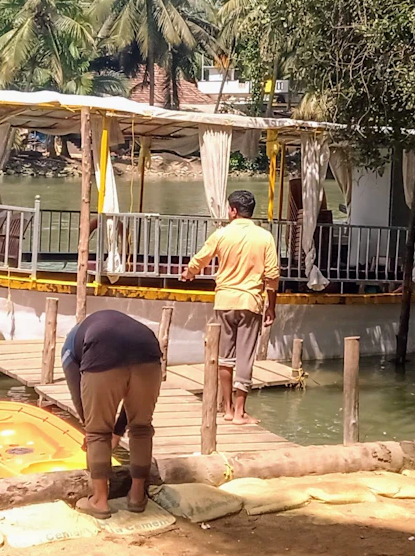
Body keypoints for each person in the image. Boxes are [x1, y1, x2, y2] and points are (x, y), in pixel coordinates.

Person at [182, 189, 280, 424]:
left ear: (234, 211)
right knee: (245, 357)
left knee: (225, 357)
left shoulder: (222, 234)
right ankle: (240, 412)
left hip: (225, 300)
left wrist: (189, 273)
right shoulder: (265, 237)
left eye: (229, 208)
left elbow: (202, 257)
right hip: (250, 302)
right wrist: (271, 307)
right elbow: (272, 276)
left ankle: (226, 409)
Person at [62, 309, 164, 518]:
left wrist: (94, 431)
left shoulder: (68, 349)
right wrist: (118, 431)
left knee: (97, 431)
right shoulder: (119, 323)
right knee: (141, 428)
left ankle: (99, 501)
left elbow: (80, 399)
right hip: (148, 349)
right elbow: (132, 401)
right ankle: (137, 495)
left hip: (102, 349)